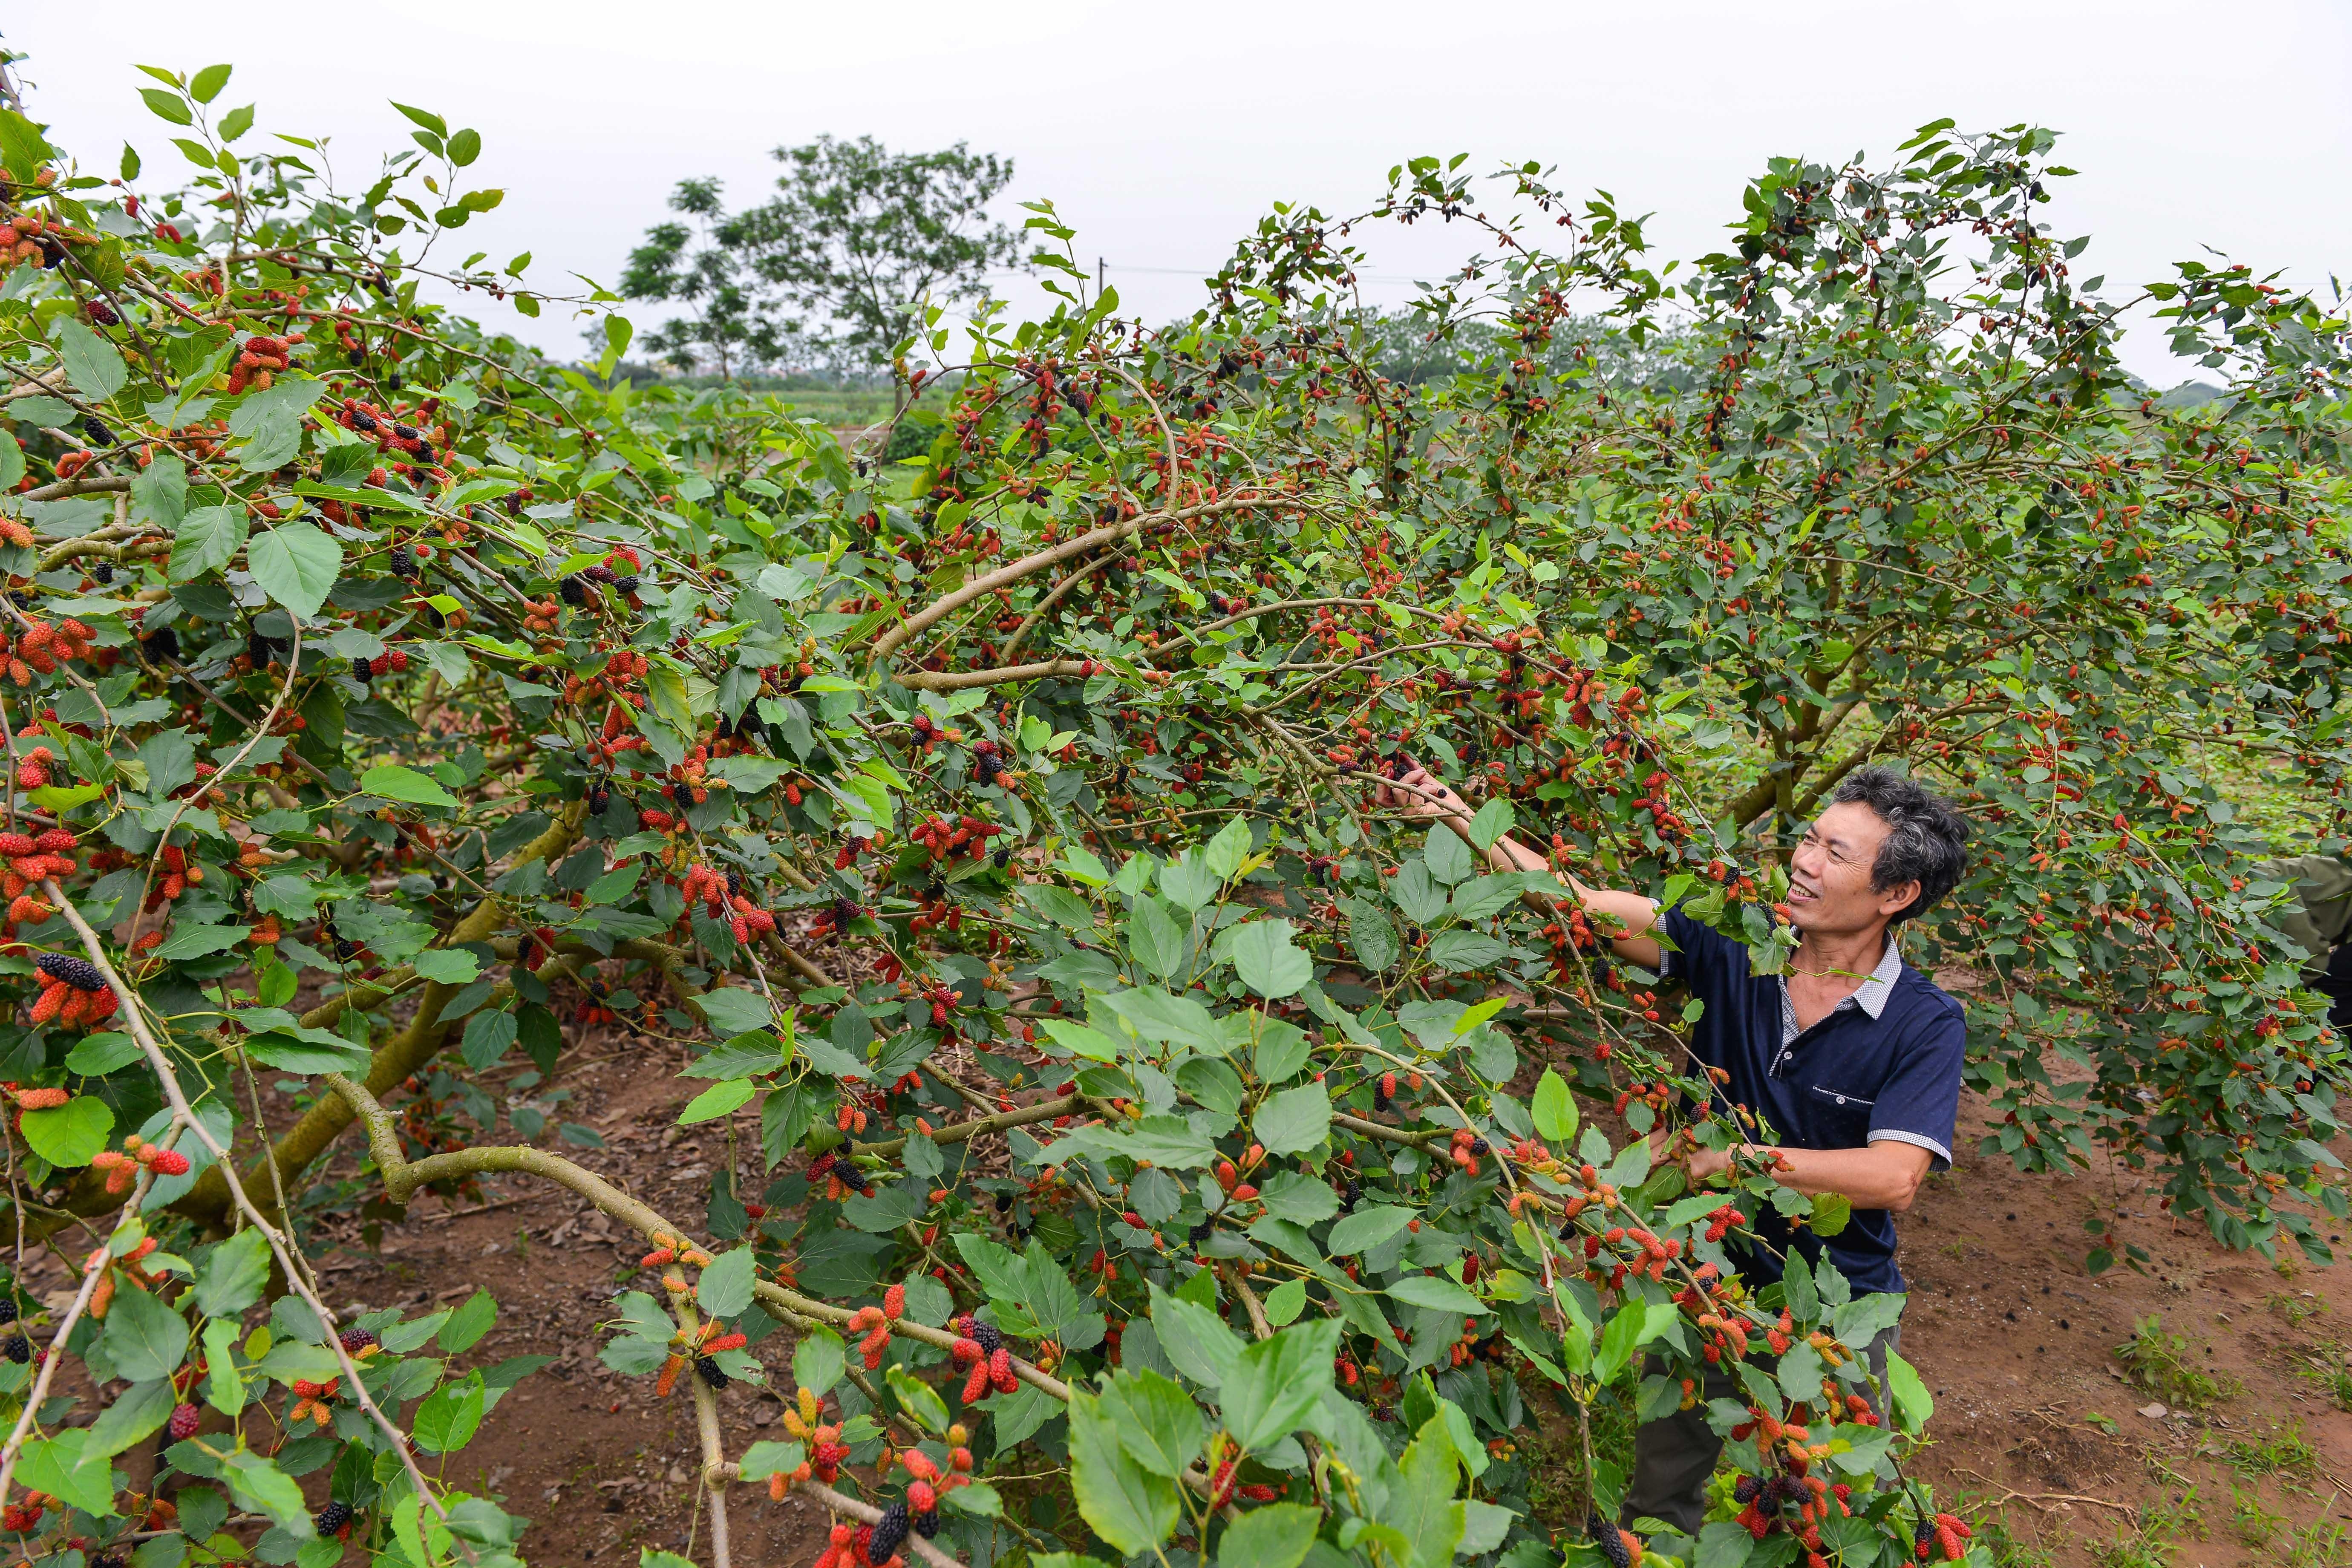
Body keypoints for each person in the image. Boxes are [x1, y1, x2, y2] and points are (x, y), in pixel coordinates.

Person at [1377, 761, 1972, 1541]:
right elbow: (1580, 907)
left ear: (1896, 896)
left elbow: (1893, 1177)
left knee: (1828, 1509)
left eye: (1834, 852)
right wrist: (1456, 814)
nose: (1803, 860)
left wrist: (1732, 1163)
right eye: (1808, 840)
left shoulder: (1925, 1022)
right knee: (1662, 1489)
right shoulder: (1735, 946)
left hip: (1835, 1308)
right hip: (1704, 1273)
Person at [2257, 853, 2352, 1029]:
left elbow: (2308, 960)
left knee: (2328, 992)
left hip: (2272, 890)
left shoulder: (2262, 895)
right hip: (2273, 887)